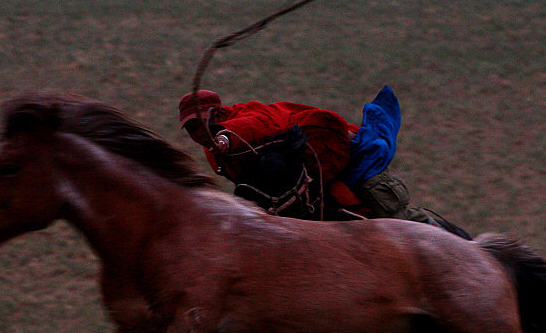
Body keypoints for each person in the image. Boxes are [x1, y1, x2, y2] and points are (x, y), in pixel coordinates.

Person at [178, 86, 464, 231]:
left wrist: (227, 137)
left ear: (216, 114)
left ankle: (446, 239)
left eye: (199, 123)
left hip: (345, 158)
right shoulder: (212, 151)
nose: (196, 132)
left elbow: (257, 124)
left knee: (393, 218)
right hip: (308, 180)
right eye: (190, 127)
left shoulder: (242, 119)